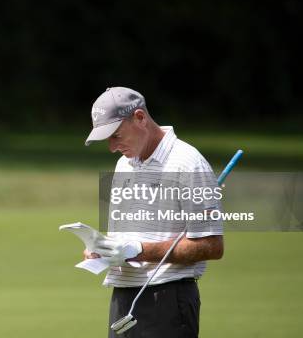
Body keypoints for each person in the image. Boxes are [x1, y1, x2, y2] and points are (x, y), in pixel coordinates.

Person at [83, 87, 224, 338]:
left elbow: (211, 245)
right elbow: (125, 236)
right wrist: (102, 250)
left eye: (116, 135)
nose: (112, 147)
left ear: (140, 118)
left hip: (167, 300)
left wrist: (138, 250)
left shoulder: (189, 163)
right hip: (124, 298)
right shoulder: (124, 164)